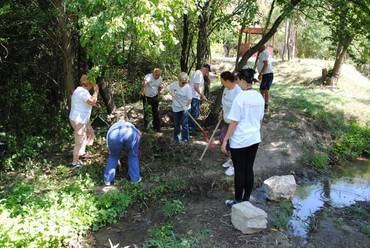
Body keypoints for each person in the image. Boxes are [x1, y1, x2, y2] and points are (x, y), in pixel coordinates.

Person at [221, 69, 264, 207]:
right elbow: (260, 118)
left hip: (239, 141)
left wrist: (225, 140)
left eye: (238, 80)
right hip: (254, 139)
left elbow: (234, 122)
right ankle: (246, 198)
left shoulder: (240, 98)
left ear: (243, 81)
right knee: (248, 169)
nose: (237, 82)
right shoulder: (259, 97)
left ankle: (238, 200)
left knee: (239, 171)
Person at [69, 74, 99, 167]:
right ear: (88, 83)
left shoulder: (79, 90)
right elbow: (92, 101)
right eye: (92, 84)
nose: (92, 86)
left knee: (90, 133)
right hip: (79, 120)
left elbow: (88, 102)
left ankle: (81, 153)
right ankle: (75, 162)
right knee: (79, 141)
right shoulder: (83, 92)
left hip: (80, 119)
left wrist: (95, 104)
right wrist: (96, 91)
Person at [103, 119, 142, 185]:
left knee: (113, 156)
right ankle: (135, 179)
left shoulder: (113, 127)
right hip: (130, 133)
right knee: (133, 156)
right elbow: (139, 134)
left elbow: (109, 147)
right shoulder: (131, 126)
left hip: (113, 135)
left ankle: (108, 180)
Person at [219, 71, 242, 176]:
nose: (221, 83)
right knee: (223, 139)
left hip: (234, 122)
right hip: (226, 119)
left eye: (222, 81)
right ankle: (231, 158)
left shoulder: (238, 91)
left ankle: (235, 165)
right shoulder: (226, 89)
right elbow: (224, 103)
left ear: (227, 81)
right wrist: (222, 113)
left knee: (234, 144)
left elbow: (239, 109)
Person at [168, 72, 193, 143]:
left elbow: (190, 99)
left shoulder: (188, 87)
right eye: (182, 83)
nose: (184, 84)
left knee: (185, 124)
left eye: (185, 82)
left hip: (185, 107)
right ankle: (177, 139)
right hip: (176, 107)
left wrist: (186, 105)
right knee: (176, 124)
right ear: (178, 80)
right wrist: (171, 92)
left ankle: (185, 140)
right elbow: (169, 89)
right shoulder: (173, 85)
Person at [189, 64, 210, 134]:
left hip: (196, 96)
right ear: (205, 69)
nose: (207, 73)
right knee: (194, 114)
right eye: (207, 71)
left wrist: (200, 96)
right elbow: (195, 87)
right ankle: (191, 130)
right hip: (194, 96)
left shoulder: (199, 74)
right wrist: (202, 95)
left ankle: (193, 128)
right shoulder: (199, 74)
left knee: (195, 113)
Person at [256, 45, 273, 111]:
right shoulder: (263, 52)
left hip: (267, 74)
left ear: (262, 47)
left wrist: (261, 74)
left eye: (258, 48)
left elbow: (266, 64)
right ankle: (263, 104)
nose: (257, 49)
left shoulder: (264, 53)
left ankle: (265, 106)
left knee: (265, 90)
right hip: (266, 74)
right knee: (262, 90)